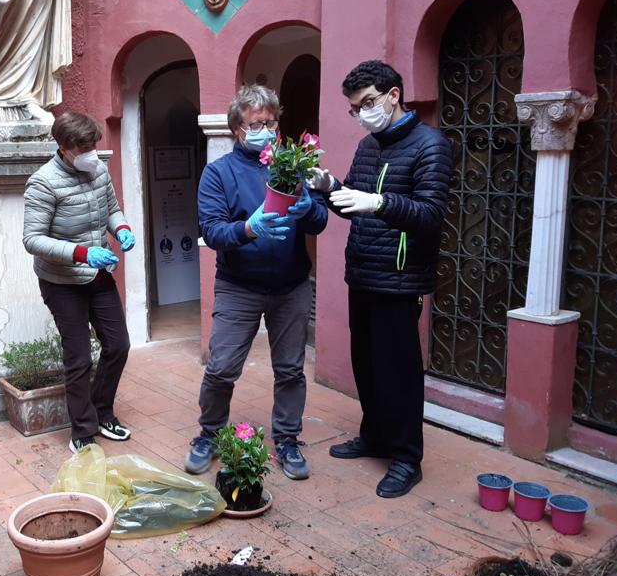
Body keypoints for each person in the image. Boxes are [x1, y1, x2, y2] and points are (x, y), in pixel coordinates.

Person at [309, 60, 451, 498]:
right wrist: (327, 185)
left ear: (394, 95)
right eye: (355, 108)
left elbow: (430, 216)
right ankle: (373, 436)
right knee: (367, 366)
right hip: (363, 273)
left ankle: (407, 458)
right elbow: (352, 201)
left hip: (400, 279)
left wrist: (381, 202)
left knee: (399, 373)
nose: (362, 113)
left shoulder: (431, 146)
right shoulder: (369, 146)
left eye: (368, 102)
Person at [185, 85, 328, 480]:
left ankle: (287, 440)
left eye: (270, 122)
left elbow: (321, 221)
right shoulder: (218, 173)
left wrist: (307, 209)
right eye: (255, 124)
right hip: (239, 286)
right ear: (237, 129)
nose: (264, 129)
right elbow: (213, 232)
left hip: (291, 286)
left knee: (290, 369)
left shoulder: (292, 166)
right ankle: (208, 434)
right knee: (221, 367)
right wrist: (249, 228)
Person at [23, 112, 134, 453]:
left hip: (98, 274)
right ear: (64, 147)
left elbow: (112, 209)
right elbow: (32, 239)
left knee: (118, 345)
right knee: (79, 358)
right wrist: (82, 253)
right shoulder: (42, 183)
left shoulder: (98, 170)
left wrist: (122, 228)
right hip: (62, 281)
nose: (91, 152)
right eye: (84, 147)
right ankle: (82, 430)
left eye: (93, 145)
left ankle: (103, 412)